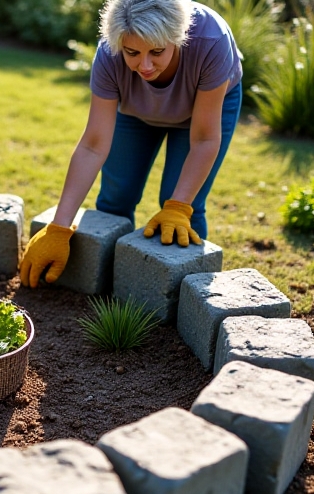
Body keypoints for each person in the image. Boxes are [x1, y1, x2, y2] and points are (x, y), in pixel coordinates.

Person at [20, 0, 243, 288]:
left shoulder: (211, 40)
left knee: (181, 205)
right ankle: (110, 284)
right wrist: (59, 228)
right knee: (115, 198)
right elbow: (93, 145)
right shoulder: (109, 54)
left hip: (201, 112)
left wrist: (177, 206)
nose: (146, 65)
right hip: (136, 110)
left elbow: (203, 139)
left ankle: (187, 297)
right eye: (133, 53)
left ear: (177, 37)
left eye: (157, 51)